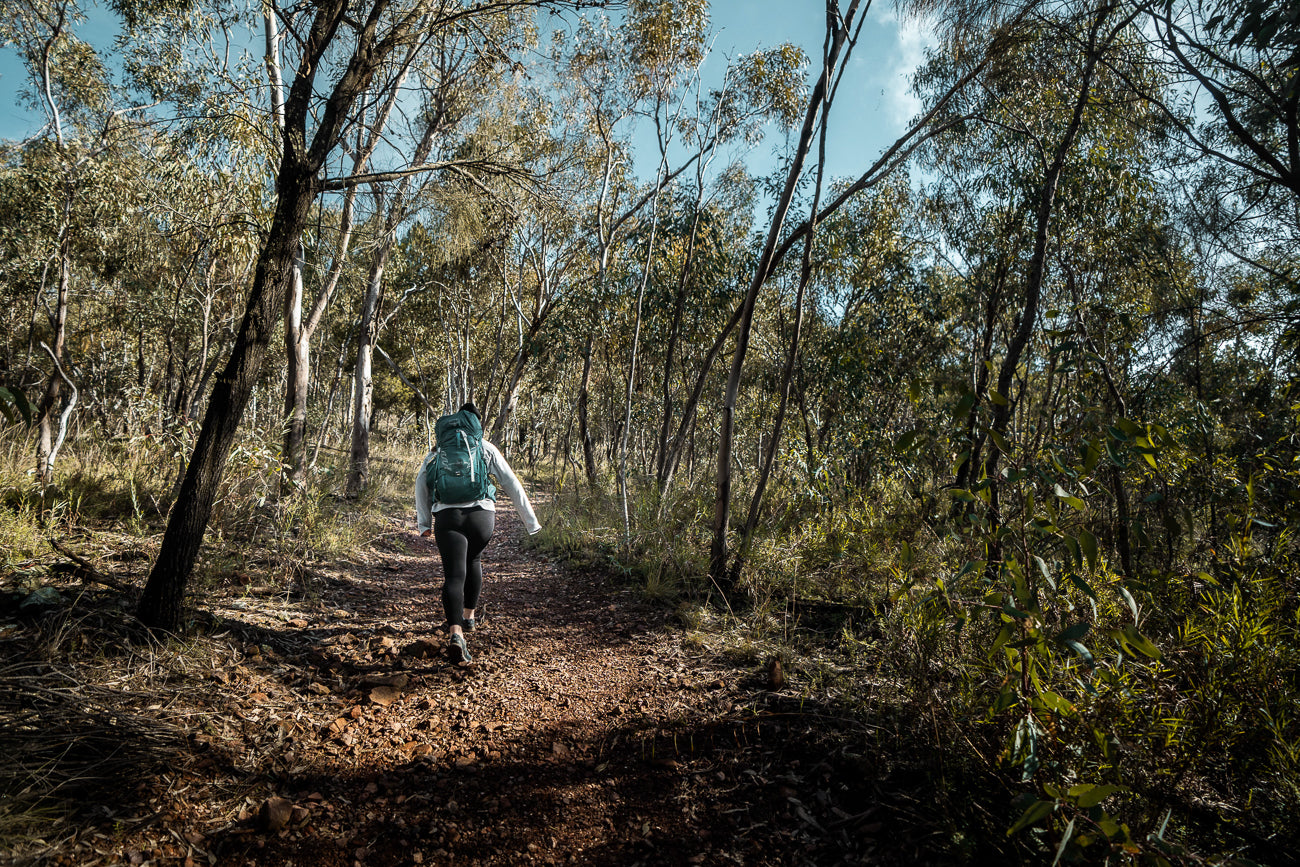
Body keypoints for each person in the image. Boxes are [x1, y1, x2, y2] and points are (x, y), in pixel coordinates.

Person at [415, 402, 540, 663]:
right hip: (482, 517)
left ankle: (456, 633)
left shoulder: (438, 451)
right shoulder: (485, 448)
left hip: (448, 518)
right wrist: (531, 522)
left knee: (453, 574)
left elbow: (421, 483)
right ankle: (469, 616)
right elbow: (512, 483)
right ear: (476, 424)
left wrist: (424, 523)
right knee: (473, 560)